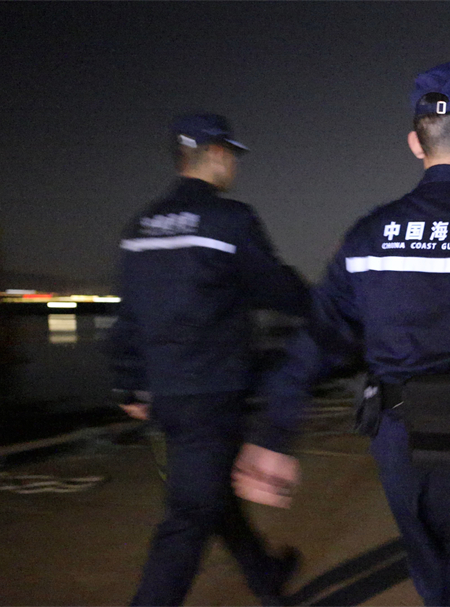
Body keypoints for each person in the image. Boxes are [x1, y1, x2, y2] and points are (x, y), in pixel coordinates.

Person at [232, 61, 450, 606]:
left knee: (437, 584)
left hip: (402, 455)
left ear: (416, 143)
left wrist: (273, 434)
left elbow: (319, 339)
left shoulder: (368, 235)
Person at [108, 113, 312, 606]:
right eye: (232, 156)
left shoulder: (141, 225)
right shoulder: (229, 219)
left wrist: (128, 382)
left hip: (164, 392)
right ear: (217, 154)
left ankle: (265, 576)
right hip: (212, 391)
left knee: (210, 491)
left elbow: (129, 313)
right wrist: (328, 307)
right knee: (189, 516)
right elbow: (276, 287)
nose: (234, 166)